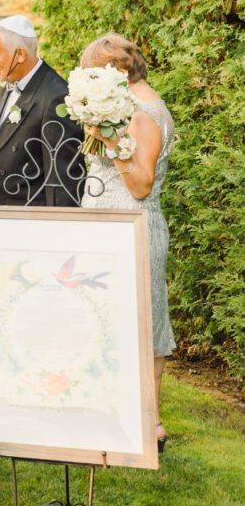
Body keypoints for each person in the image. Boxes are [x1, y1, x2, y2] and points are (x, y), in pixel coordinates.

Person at [78, 33, 175, 454]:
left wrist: (109, 139)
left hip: (130, 228)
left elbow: (140, 184)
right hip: (110, 228)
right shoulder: (130, 108)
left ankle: (149, 422)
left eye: (94, 75)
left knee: (142, 323)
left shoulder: (144, 114)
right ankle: (126, 415)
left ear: (116, 71)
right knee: (116, 320)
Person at [0, 15, 84, 206]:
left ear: (20, 54)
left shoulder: (56, 97)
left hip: (25, 217)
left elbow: (61, 182)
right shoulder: (6, 85)